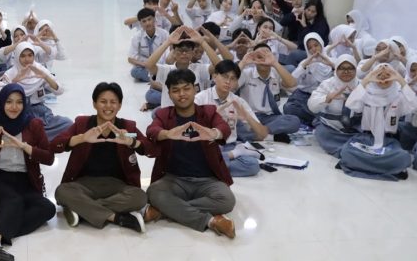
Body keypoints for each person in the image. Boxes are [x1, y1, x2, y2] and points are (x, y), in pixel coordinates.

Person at [143, 69, 236, 239]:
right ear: (169, 94)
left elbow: (224, 128)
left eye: (186, 88)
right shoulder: (163, 114)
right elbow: (152, 130)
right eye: (176, 90)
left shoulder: (208, 112)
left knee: (227, 200)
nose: (182, 94)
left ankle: (165, 210)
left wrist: (213, 133)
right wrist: (167, 133)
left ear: (195, 89)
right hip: (174, 180)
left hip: (207, 180)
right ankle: (211, 221)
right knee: (153, 193)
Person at [0, 84, 56, 261]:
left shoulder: (34, 125)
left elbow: (49, 158)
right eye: (9, 102)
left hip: (25, 181)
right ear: (1, 103)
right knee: (14, 200)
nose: (14, 107)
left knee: (48, 208)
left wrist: (25, 147)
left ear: (24, 104)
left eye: (19, 102)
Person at [51, 82, 150, 232]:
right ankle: (116, 217)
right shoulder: (82, 124)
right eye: (103, 101)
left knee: (140, 197)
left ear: (120, 105)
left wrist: (132, 141)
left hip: (118, 186)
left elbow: (149, 148)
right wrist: (82, 138)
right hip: (83, 185)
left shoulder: (127, 128)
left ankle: (82, 209)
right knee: (61, 192)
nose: (108, 106)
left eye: (113, 102)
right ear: (94, 104)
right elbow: (55, 144)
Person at [338, 63, 417, 180]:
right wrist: (366, 80)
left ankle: (363, 164)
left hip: (389, 141)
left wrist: (401, 80)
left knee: (403, 157)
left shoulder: (398, 96)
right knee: (346, 151)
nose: (383, 79)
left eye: (388, 75)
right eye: (379, 75)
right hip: (366, 139)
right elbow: (350, 103)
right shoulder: (366, 94)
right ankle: (386, 167)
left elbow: (415, 106)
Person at [195, 60, 267, 176]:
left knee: (252, 165)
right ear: (214, 76)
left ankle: (208, 166)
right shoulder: (200, 98)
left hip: (228, 146)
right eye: (225, 76)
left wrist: (246, 116)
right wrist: (213, 115)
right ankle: (231, 156)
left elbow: (262, 134)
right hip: (206, 146)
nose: (228, 81)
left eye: (233, 78)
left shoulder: (238, 101)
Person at [0, 42, 72, 140]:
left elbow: (59, 91)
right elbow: (2, 98)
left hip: (40, 112)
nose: (27, 59)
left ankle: (36, 137)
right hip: (19, 112)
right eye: (23, 56)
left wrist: (45, 77)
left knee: (67, 124)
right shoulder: (10, 73)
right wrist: (15, 81)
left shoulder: (39, 69)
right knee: (16, 131)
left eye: (30, 55)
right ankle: (38, 137)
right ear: (17, 57)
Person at [236, 43, 300, 141]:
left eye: (266, 56)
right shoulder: (247, 73)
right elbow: (230, 85)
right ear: (254, 58)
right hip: (250, 117)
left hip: (271, 118)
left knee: (294, 121)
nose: (263, 60)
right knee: (235, 126)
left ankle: (261, 132)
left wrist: (275, 63)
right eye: (259, 56)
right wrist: (243, 62)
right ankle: (271, 136)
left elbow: (292, 84)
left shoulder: (275, 73)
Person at [308, 55, 361, 157]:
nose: (346, 71)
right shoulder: (327, 84)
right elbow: (312, 106)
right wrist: (327, 98)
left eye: (350, 68)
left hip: (356, 129)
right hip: (331, 128)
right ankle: (349, 153)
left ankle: (351, 152)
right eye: (342, 68)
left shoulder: (362, 85)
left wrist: (362, 98)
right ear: (336, 69)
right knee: (323, 134)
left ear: (355, 69)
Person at [283, 33, 335, 125]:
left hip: (323, 96)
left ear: (321, 44)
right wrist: (304, 65)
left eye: (316, 45)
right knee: (288, 108)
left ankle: (315, 118)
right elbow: (292, 81)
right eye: (310, 47)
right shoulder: (305, 63)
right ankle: (317, 118)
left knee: (334, 109)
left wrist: (331, 65)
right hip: (304, 96)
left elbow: (340, 79)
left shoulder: (332, 61)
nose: (314, 49)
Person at [128, 8, 169, 83]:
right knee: (134, 72)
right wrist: (144, 64)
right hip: (144, 66)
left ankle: (156, 78)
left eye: (149, 19)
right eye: (144, 21)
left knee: (170, 67)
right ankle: (160, 78)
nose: (147, 23)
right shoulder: (137, 37)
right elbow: (130, 59)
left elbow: (168, 54)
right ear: (140, 23)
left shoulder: (164, 34)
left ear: (154, 19)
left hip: (160, 65)